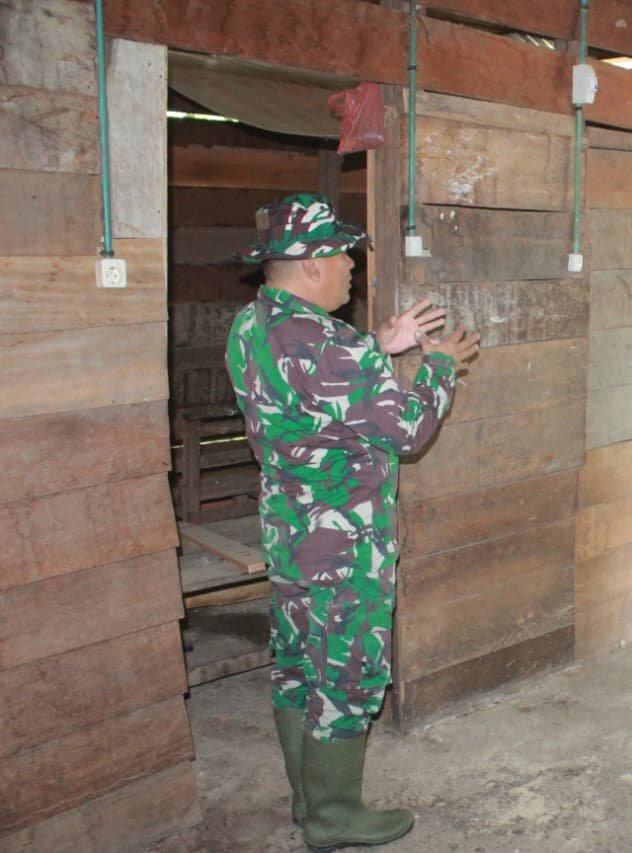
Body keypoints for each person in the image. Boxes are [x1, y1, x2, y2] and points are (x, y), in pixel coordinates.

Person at [225, 193, 479, 850]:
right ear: (311, 263)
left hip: (289, 536)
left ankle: (307, 798)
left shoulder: (250, 326)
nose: (351, 267)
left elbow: (312, 388)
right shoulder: (333, 345)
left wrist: (376, 345)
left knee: (296, 665)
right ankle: (335, 815)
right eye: (342, 255)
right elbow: (409, 430)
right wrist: (439, 366)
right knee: (346, 674)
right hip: (345, 547)